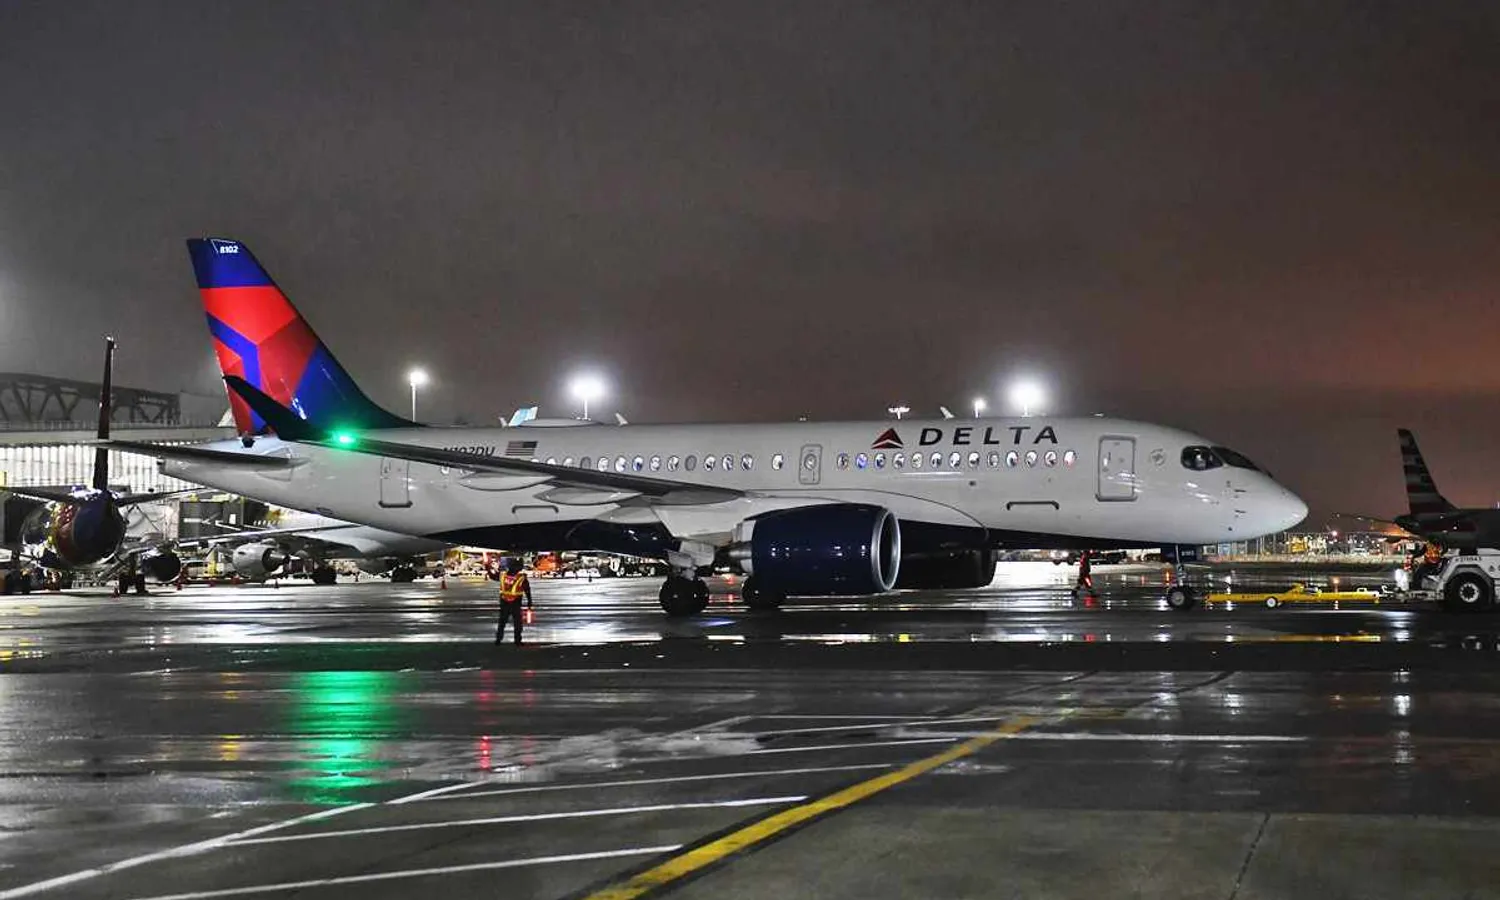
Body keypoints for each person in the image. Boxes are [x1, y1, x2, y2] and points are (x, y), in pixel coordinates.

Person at [495, 559, 533, 645]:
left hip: (504, 603)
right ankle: (517, 641)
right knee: (517, 624)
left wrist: (488, 568)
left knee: (502, 623)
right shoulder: (521, 578)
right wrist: (529, 602)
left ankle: (498, 640)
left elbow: (493, 576)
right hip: (515, 604)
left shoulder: (502, 576)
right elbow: (527, 590)